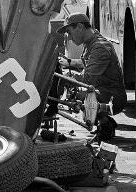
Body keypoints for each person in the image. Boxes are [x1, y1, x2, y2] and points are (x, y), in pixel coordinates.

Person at [53, 12, 127, 141]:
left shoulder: (99, 47)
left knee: (77, 93)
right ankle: (104, 121)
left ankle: (105, 123)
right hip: (105, 91)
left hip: (112, 98)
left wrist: (65, 77)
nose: (69, 37)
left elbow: (88, 79)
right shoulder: (91, 43)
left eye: (69, 32)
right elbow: (88, 65)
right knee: (75, 90)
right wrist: (69, 64)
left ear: (80, 27)